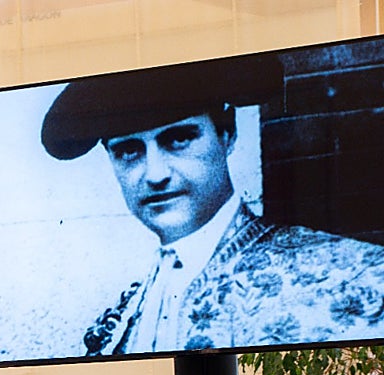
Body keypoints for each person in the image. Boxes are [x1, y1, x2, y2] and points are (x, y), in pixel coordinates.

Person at [39, 56, 384, 355]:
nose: (155, 174)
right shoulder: (121, 319)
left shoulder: (358, 274)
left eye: (179, 139)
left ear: (227, 133)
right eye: (129, 150)